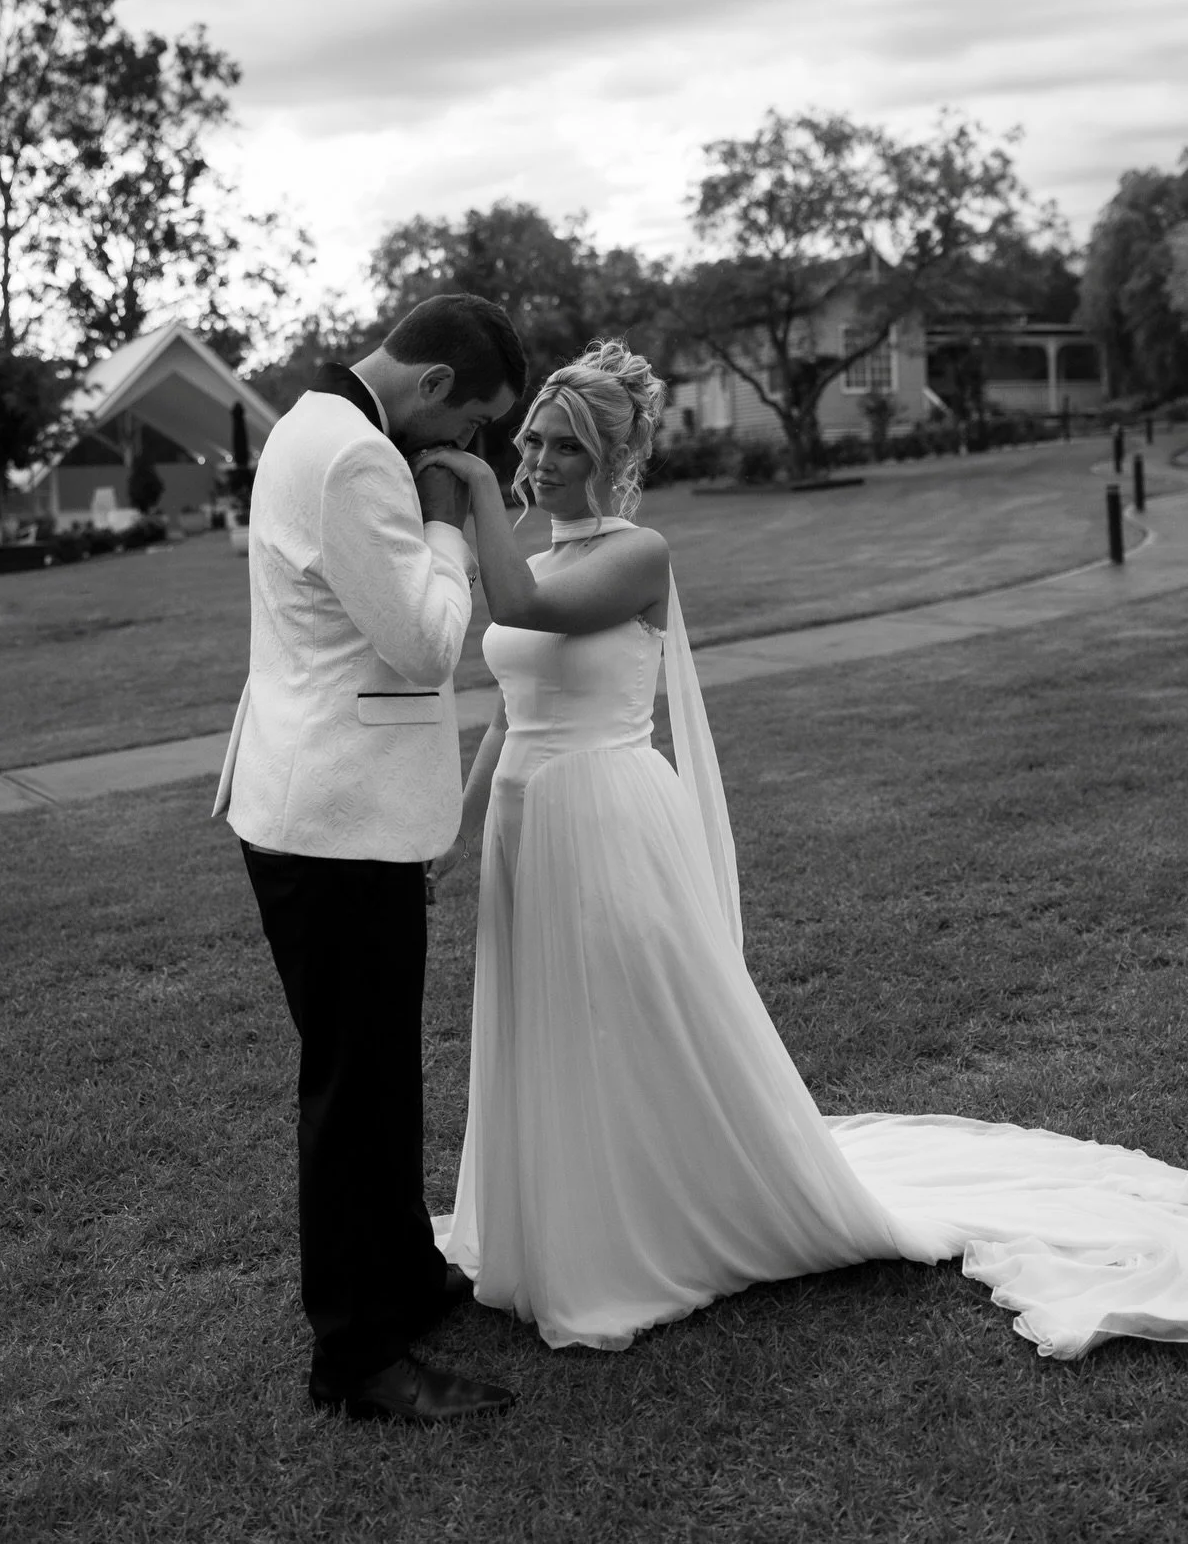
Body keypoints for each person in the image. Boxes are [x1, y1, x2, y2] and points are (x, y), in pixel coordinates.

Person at [417, 339, 1188, 1359]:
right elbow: (509, 714)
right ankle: (560, 1215)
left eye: (565, 444)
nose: (540, 458)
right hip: (527, 815)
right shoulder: (541, 556)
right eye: (532, 440)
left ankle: (651, 1222)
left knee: (628, 1009)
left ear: (611, 457)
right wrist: (453, 830)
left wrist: (465, 481)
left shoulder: (634, 554)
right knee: (546, 1014)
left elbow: (519, 611)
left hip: (604, 812)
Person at [215, 294, 527, 1423]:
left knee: (380, 1070)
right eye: (476, 425)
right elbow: (427, 640)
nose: (469, 448)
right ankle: (357, 1356)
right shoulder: (355, 455)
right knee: (356, 1088)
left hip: (328, 812)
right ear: (435, 386)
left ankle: (403, 1275)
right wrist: (446, 513)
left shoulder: (312, 423)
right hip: (332, 824)